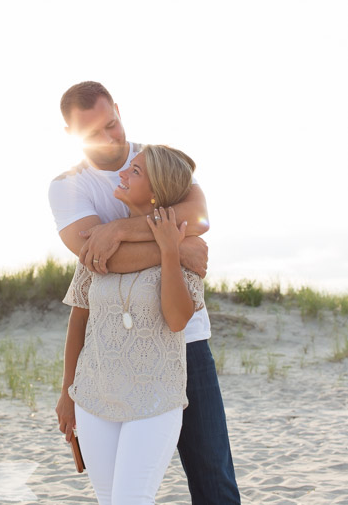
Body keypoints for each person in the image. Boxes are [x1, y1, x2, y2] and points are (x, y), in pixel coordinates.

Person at [49, 81, 241, 504]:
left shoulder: (156, 161)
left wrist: (116, 229)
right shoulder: (69, 186)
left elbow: (200, 217)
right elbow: (99, 261)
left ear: (118, 110)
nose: (110, 138)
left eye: (112, 124)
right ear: (72, 134)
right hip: (111, 356)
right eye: (93, 132)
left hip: (182, 344)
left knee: (212, 475)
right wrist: (175, 244)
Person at [61, 145, 206, 504]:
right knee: (109, 500)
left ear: (156, 191)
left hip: (155, 396)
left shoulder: (187, 249)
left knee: (131, 499)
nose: (123, 173)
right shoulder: (101, 240)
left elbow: (177, 320)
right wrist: (67, 391)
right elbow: (78, 318)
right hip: (94, 395)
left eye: (135, 171)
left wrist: (170, 251)